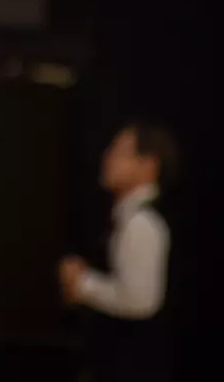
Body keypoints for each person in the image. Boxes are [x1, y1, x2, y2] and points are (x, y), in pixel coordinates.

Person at [58, 121, 178, 382]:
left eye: (121, 152)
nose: (108, 158)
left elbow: (140, 300)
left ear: (148, 165)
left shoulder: (142, 223)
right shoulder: (126, 218)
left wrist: (80, 283)